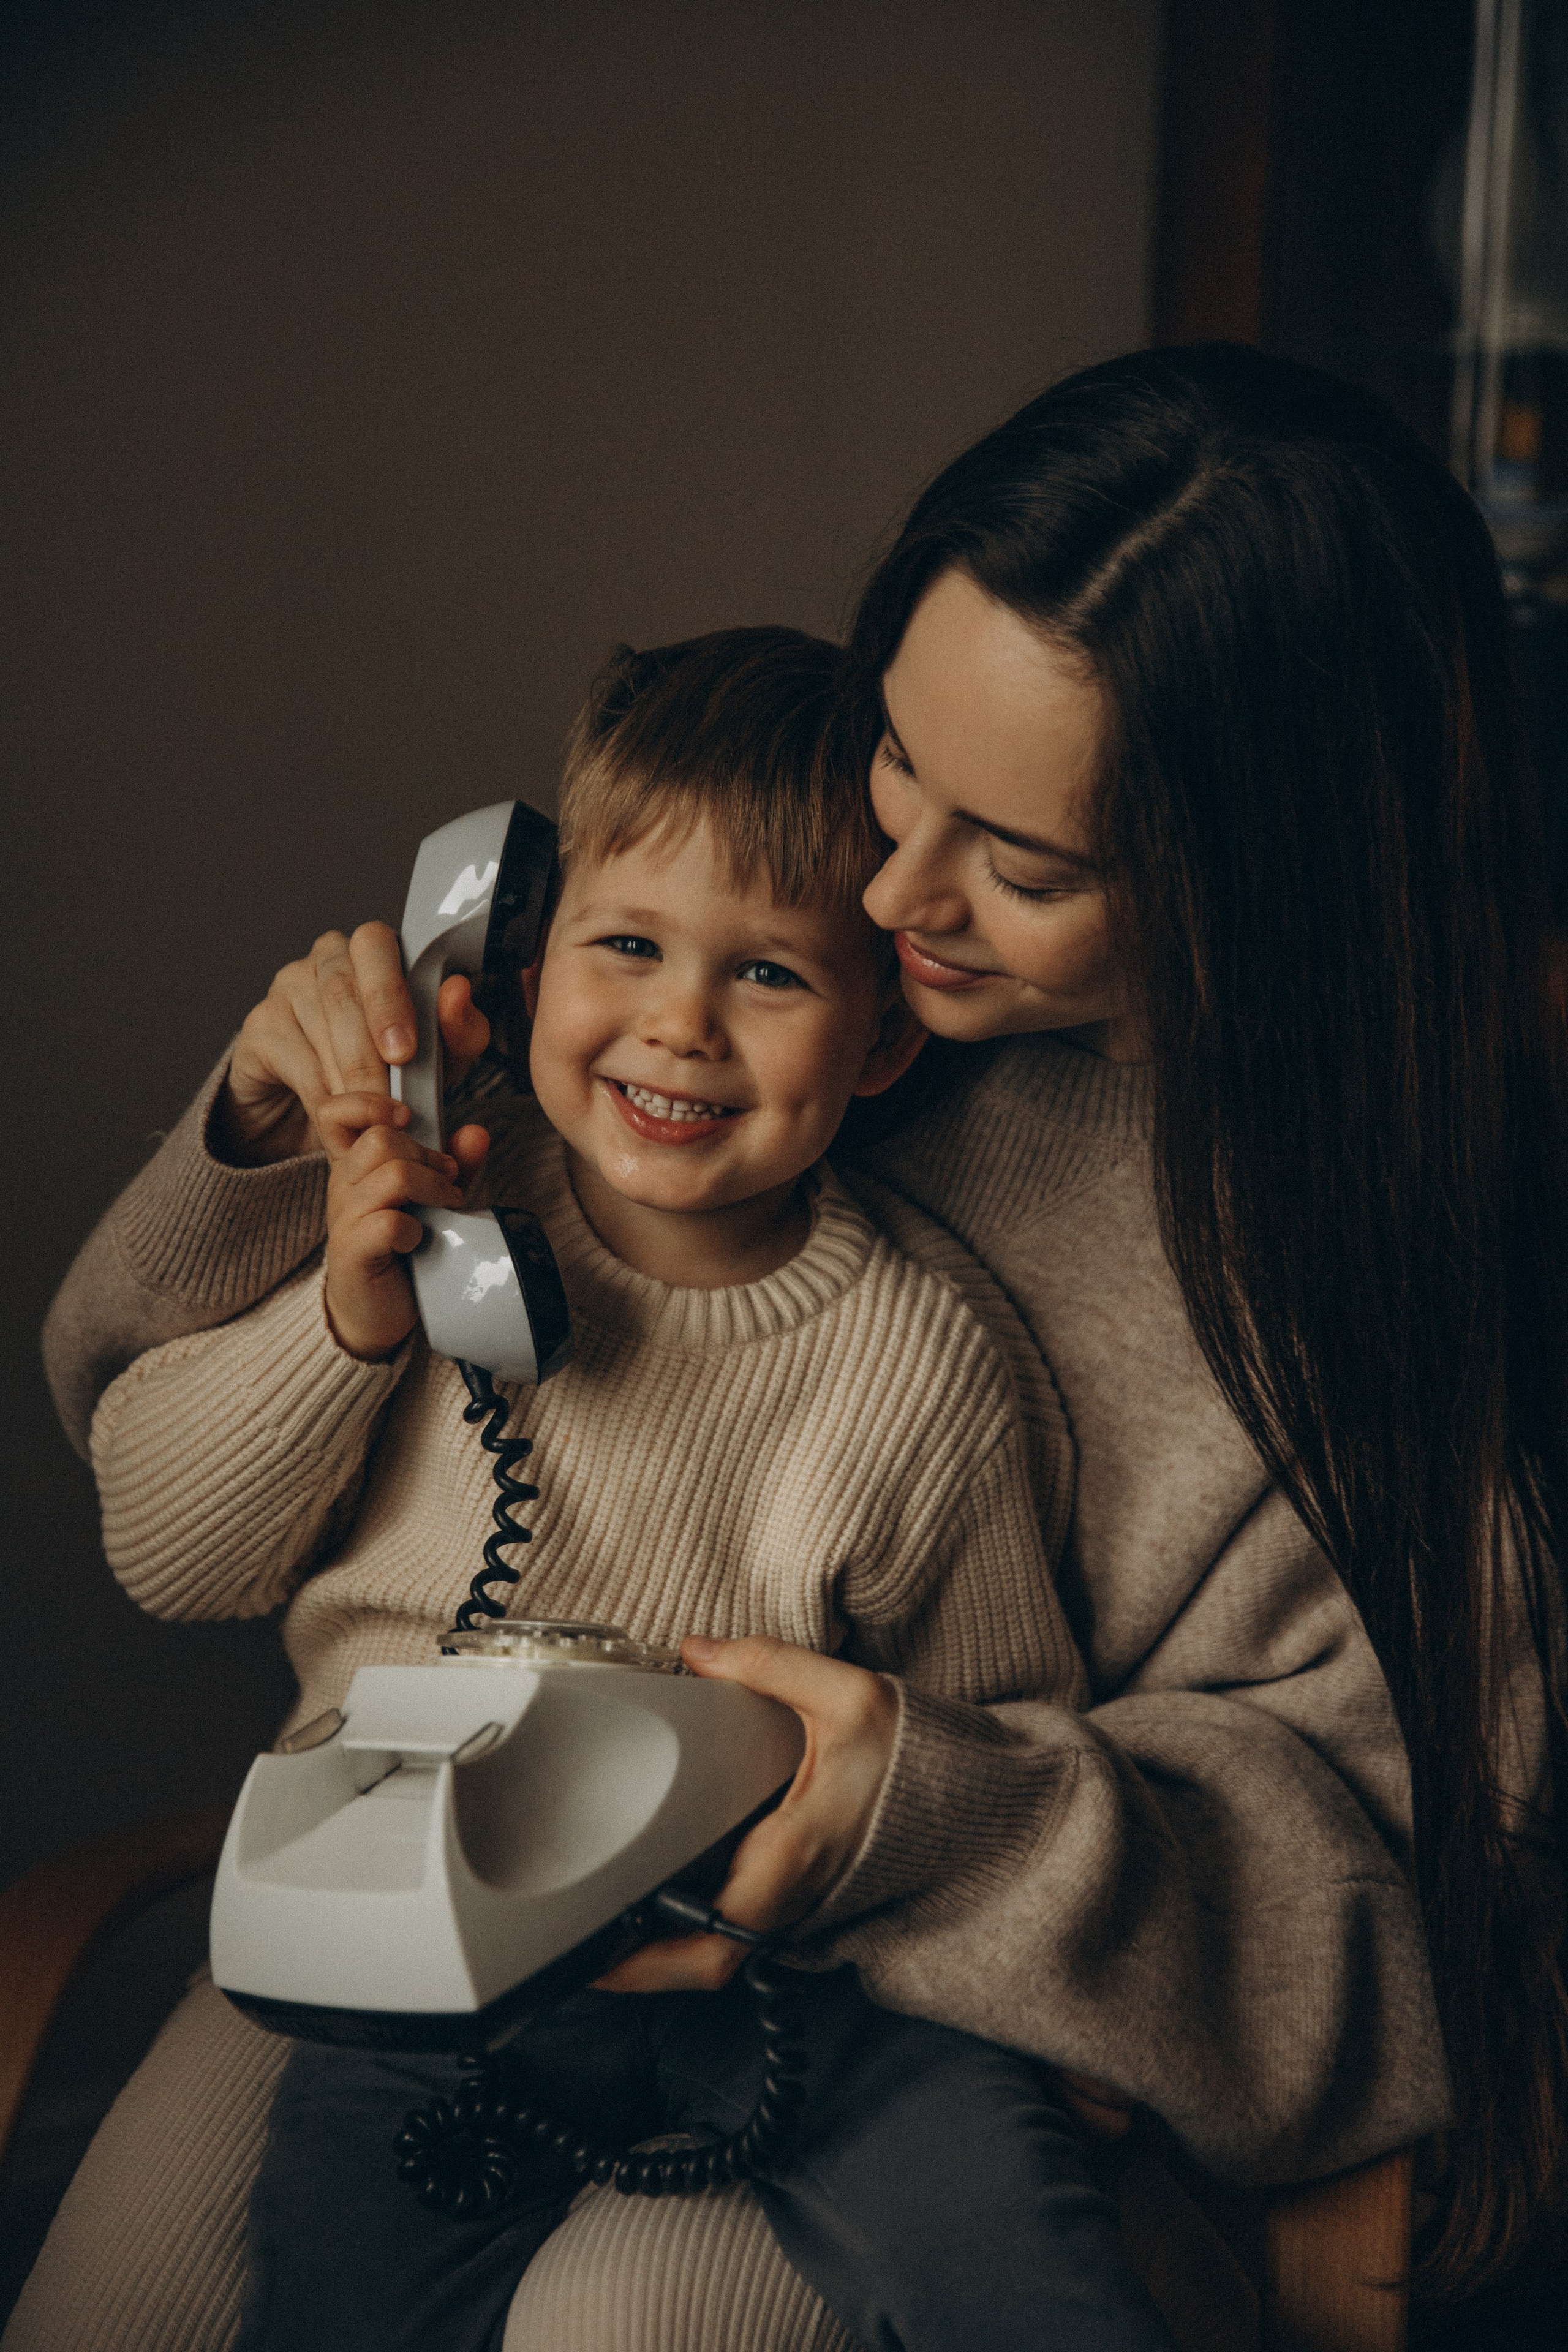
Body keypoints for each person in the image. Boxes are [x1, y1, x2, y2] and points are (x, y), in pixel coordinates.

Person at [15, 342, 1562, 2351]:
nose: (892, 887)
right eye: (898, 757)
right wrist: (275, 1140)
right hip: (423, 1906)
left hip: (924, 2031)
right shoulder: (672, 1030)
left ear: (1257, 878)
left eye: (1024, 865)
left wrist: (919, 1818)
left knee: (621, 2327)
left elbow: (1405, 1935)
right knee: (127, 2296)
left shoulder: (1353, 1261)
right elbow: (130, 1437)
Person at [26, 624, 1178, 2352]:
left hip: (786, 1980)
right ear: (515, 959)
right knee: (337, 2298)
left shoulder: (920, 1366)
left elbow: (994, 1726)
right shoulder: (434, 1234)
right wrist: (348, 1320)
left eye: (768, 974)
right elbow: (168, 1554)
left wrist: (1038, 1988)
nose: (679, 1026)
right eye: (626, 945)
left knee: (1014, 2257)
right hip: (411, 1946)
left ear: (881, 1043)